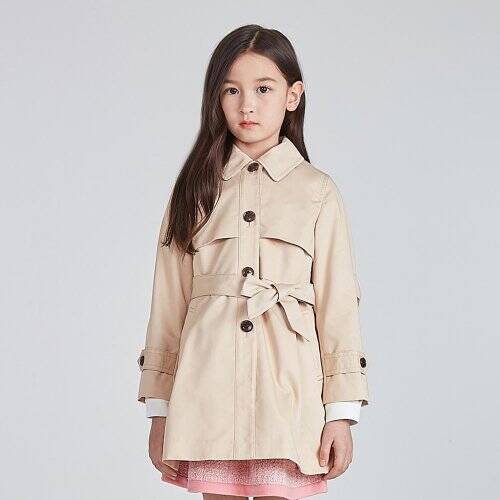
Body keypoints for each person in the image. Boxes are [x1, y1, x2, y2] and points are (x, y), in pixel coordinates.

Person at [137, 24, 370, 500]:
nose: (247, 105)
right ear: (216, 98)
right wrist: (160, 408)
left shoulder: (318, 192)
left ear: (292, 96)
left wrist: (341, 413)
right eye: (232, 90)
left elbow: (339, 304)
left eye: (264, 89)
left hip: (289, 398)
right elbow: (168, 304)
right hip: (208, 397)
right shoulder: (194, 191)